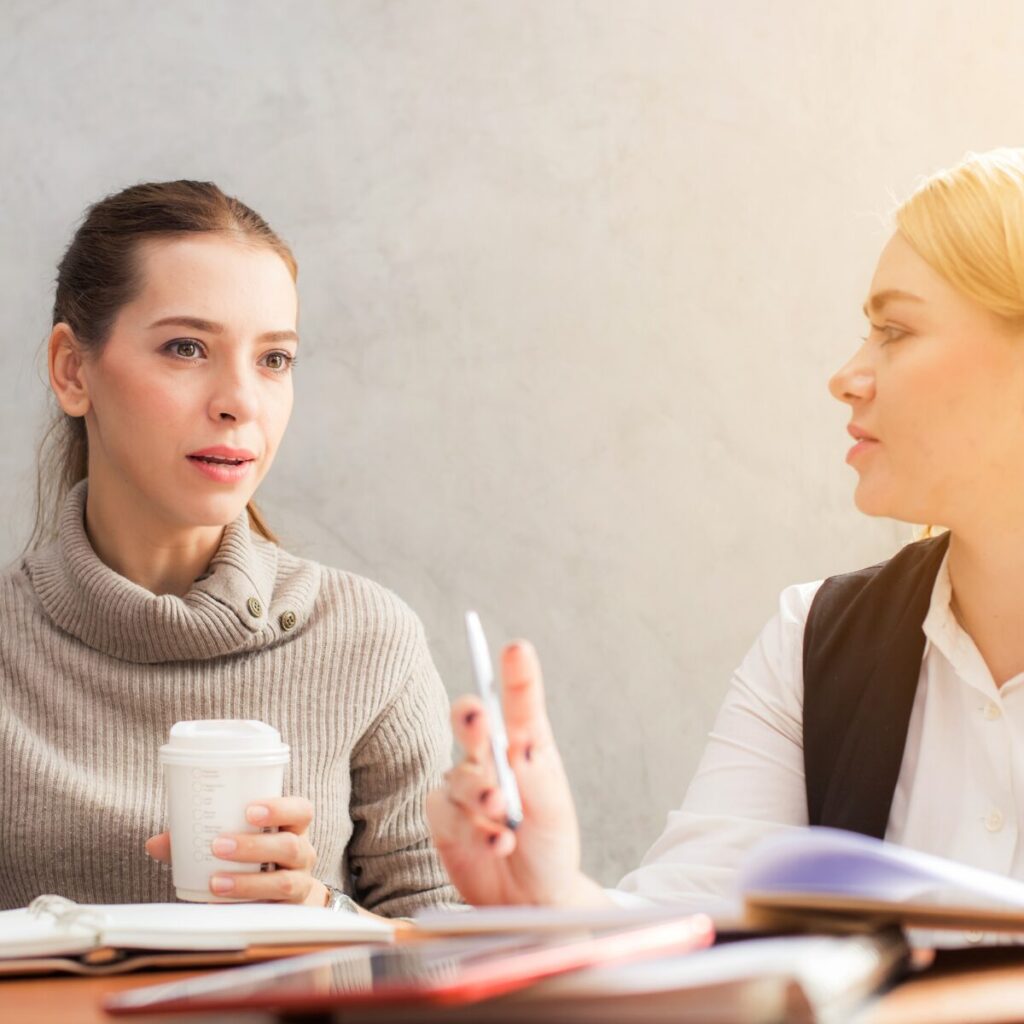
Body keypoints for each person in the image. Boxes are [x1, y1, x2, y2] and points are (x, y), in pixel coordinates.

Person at [427, 147, 1024, 922]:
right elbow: (696, 924)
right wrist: (551, 897)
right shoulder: (813, 641)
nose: (847, 375)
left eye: (896, 331)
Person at [0, 180, 458, 916]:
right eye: (187, 348)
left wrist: (318, 914)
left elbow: (455, 956)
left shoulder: (370, 641)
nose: (240, 400)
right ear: (72, 370)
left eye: (274, 360)